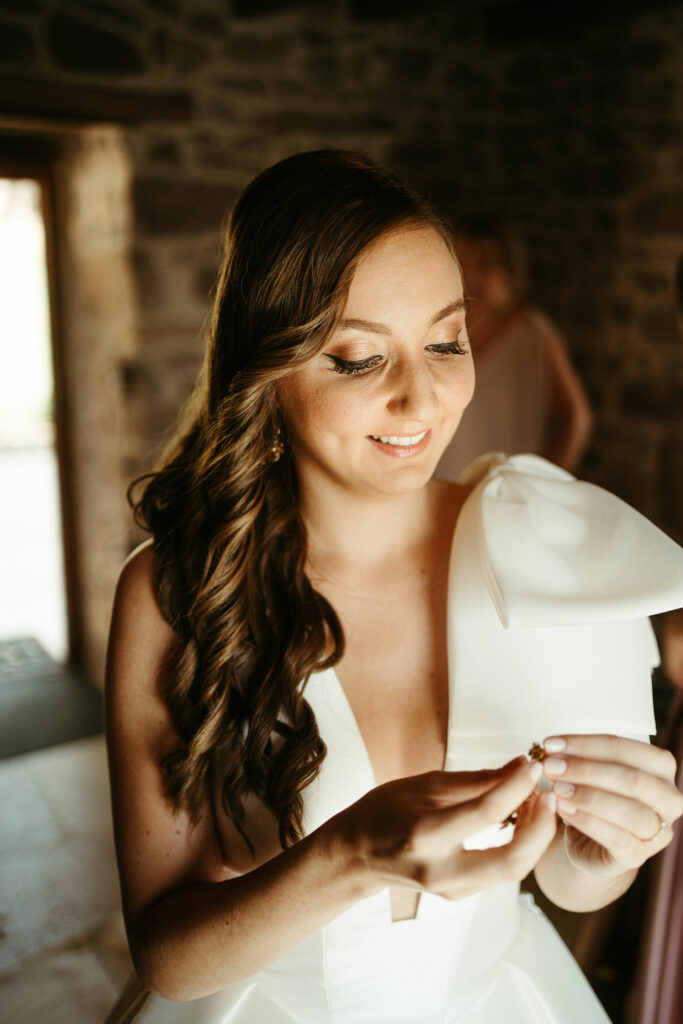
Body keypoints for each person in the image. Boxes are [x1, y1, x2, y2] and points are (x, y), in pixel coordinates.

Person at [104, 151, 683, 1024]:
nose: (421, 399)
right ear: (269, 370)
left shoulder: (538, 544)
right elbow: (168, 957)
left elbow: (567, 878)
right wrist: (345, 858)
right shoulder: (176, 590)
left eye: (447, 342)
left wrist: (608, 854)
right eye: (358, 359)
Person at [436, 219, 593, 480]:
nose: (471, 278)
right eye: (462, 265)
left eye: (484, 265)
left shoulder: (533, 333)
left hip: (506, 492)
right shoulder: (441, 333)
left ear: (508, 270)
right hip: (444, 484)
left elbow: (575, 419)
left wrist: (544, 484)